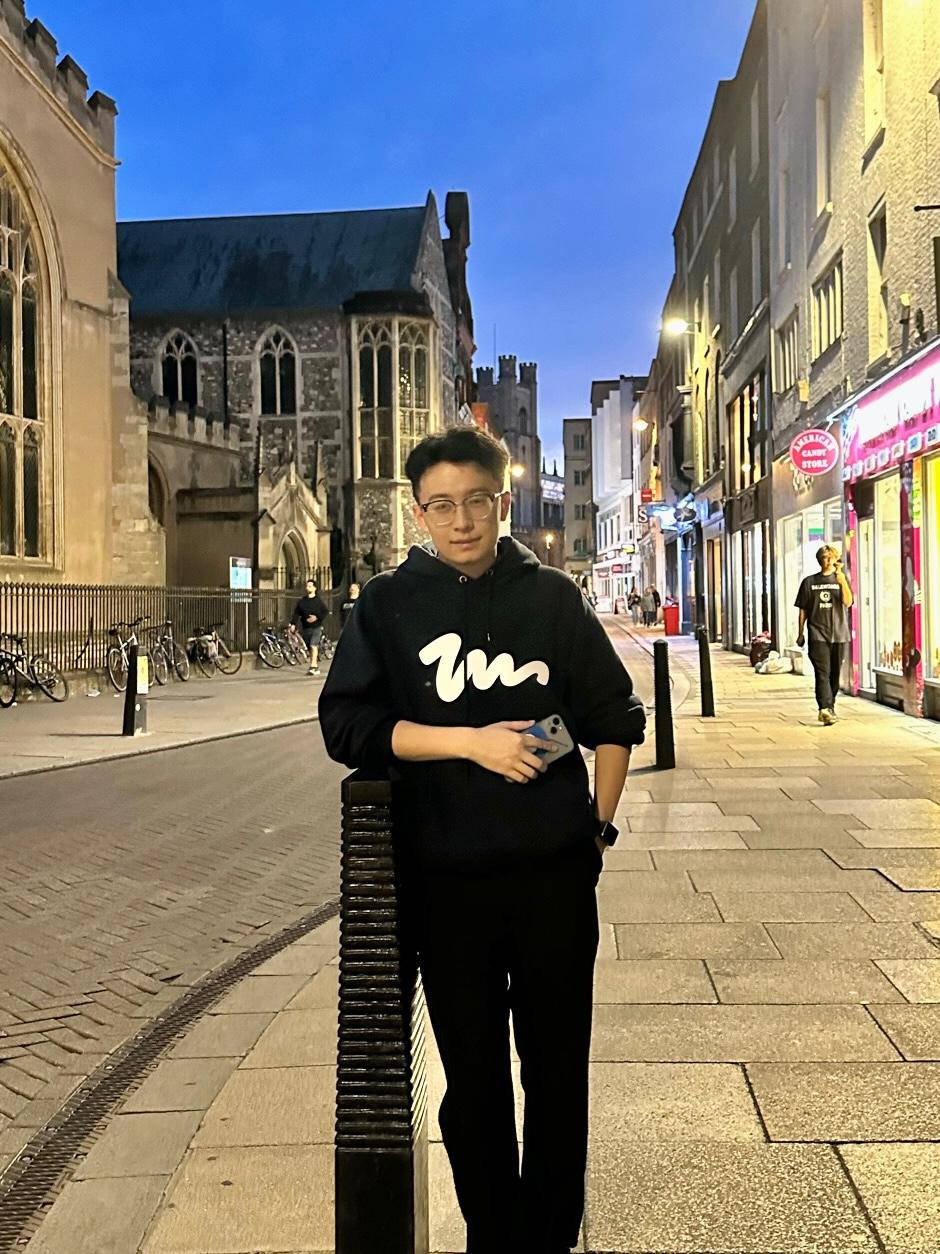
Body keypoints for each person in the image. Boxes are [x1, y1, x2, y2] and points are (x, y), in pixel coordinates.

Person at [319, 426, 646, 1254]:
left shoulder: (553, 599)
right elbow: (347, 725)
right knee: (473, 1084)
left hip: (553, 882)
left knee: (557, 1072)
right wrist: (469, 743)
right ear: (419, 512)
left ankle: (550, 1237)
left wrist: (597, 829)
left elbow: (613, 717)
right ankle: (495, 1235)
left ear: (502, 503)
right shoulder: (388, 605)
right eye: (441, 505)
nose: (460, 521)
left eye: (475, 502)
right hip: (446, 885)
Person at [795, 544, 854, 725]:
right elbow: (803, 610)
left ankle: (830, 706)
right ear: (819, 560)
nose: (826, 561)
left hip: (839, 634)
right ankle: (824, 708)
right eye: (823, 557)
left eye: (830, 557)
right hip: (817, 635)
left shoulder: (841, 579)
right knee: (822, 673)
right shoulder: (809, 582)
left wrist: (842, 580)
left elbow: (848, 602)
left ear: (835, 559)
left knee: (834, 675)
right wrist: (800, 633)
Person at [291, 578, 328, 675]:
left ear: (315, 588)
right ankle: (314, 666)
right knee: (309, 647)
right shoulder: (302, 601)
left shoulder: (318, 601)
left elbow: (325, 611)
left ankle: (313, 666)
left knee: (313, 645)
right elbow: (296, 613)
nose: (308, 588)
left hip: (316, 627)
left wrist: (317, 617)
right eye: (307, 586)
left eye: (310, 586)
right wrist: (293, 624)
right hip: (306, 627)